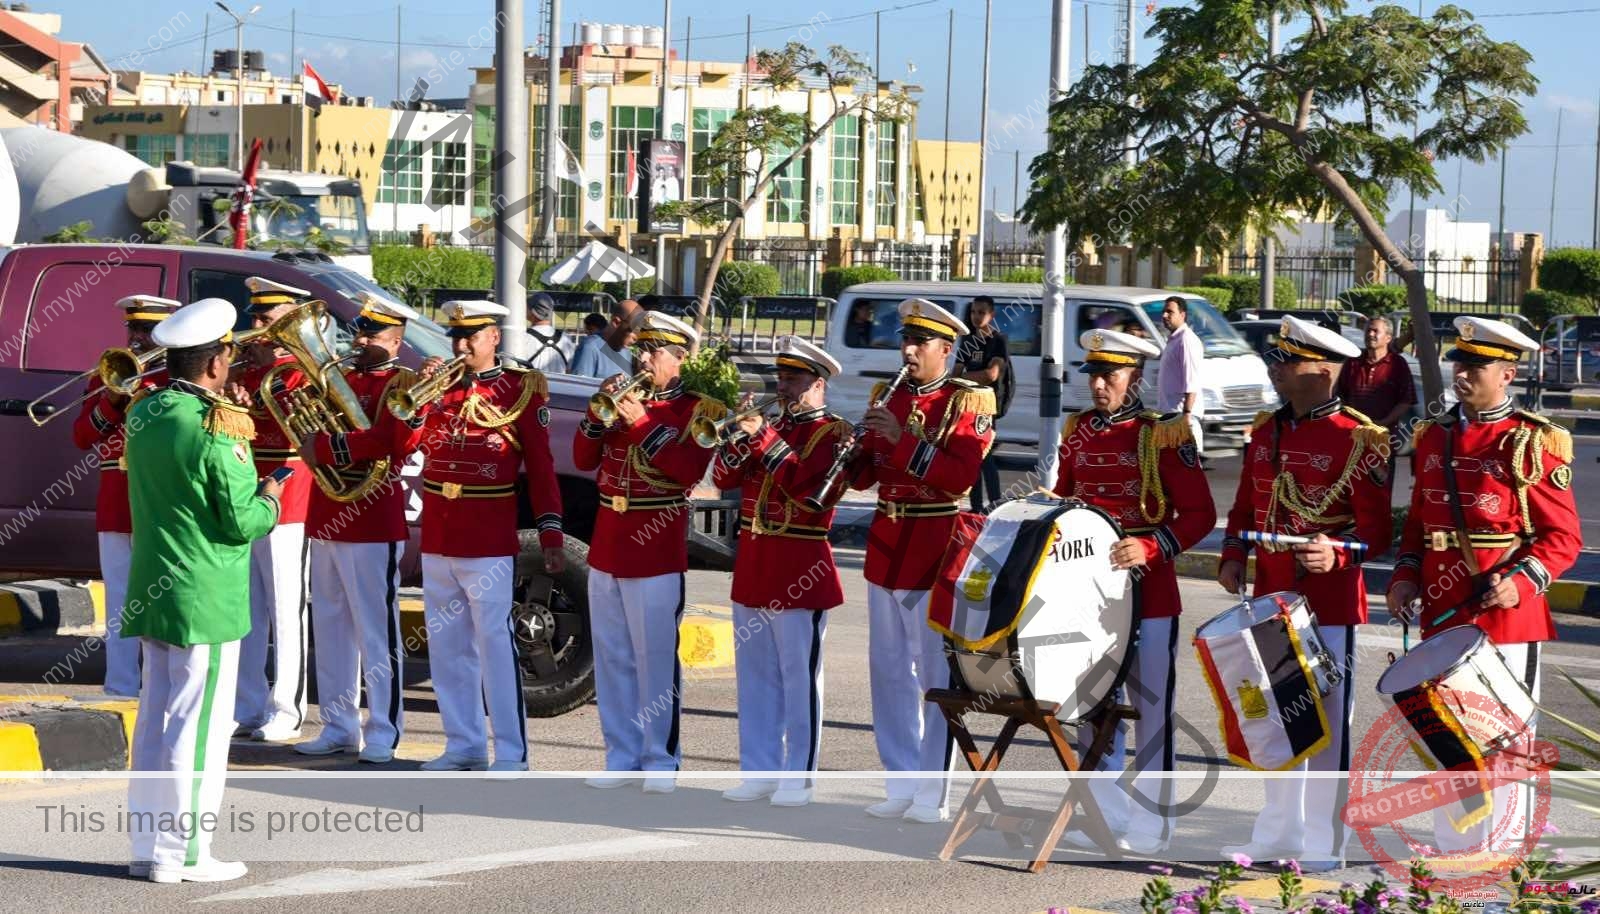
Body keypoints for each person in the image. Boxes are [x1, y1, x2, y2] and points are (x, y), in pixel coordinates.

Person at [307, 301, 566, 773]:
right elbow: (403, 445)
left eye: (471, 335)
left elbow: (543, 467)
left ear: (494, 338)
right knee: (448, 648)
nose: (461, 345)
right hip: (440, 532)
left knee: (494, 647)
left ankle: (510, 751)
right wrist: (421, 400)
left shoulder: (519, 390)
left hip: (487, 535)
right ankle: (464, 744)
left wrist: (550, 530)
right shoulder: (437, 390)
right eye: (455, 336)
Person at [1386, 317, 1580, 855]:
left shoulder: (1531, 441)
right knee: (1451, 736)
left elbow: (1563, 538)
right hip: (1444, 609)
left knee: (1503, 738)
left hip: (1505, 613)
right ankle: (1455, 856)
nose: (1462, 372)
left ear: (1508, 374)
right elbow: (1420, 524)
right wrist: (1404, 576)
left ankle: (1499, 856)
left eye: (1476, 364)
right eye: (1459, 361)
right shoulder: (1435, 435)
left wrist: (1522, 582)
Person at [1217, 315, 1393, 873]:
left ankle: (1323, 841)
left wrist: (1338, 552)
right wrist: (1231, 555)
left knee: (1328, 724)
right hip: (1272, 594)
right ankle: (1277, 831)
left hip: (1329, 601)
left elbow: (1378, 531)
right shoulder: (1268, 429)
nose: (1276, 369)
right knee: (1277, 717)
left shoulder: (1359, 438)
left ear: (1322, 371)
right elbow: (1247, 501)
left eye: (1287, 361)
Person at [123, 297, 283, 884]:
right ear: (216, 361)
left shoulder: (145, 411)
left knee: (155, 717)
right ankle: (183, 854)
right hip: (205, 590)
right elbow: (242, 521)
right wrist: (271, 495)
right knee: (200, 725)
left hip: (153, 585)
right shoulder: (219, 426)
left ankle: (148, 847)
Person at [1054, 328, 1216, 855]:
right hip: (1087, 593)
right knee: (1089, 705)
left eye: (1111, 376)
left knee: (1149, 711)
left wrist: (1150, 546)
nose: (1099, 385)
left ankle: (1153, 821)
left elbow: (1200, 516)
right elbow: (1064, 498)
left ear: (1136, 377)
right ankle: (1102, 815)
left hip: (1148, 592)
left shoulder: (1164, 434)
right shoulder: (1078, 430)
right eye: (1094, 375)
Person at [848, 298, 995, 825]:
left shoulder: (967, 401)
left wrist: (899, 438)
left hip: (934, 542)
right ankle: (900, 779)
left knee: (933, 672)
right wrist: (856, 451)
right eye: (905, 341)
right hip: (887, 542)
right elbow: (865, 478)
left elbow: (960, 477)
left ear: (946, 349)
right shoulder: (888, 396)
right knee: (887, 672)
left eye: (919, 342)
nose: (907, 351)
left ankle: (933, 790)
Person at [575, 311, 722, 793]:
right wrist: (598, 417)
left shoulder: (699, 410)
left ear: (678, 358)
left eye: (654, 351)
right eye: (641, 347)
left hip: (655, 545)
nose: (642, 357)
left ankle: (661, 758)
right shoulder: (623, 399)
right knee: (612, 657)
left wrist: (639, 422)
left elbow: (685, 472)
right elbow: (582, 459)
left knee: (654, 658)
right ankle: (621, 753)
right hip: (608, 542)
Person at [713, 337, 849, 809]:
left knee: (799, 679)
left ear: (818, 384)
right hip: (754, 562)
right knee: (755, 678)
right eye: (782, 378)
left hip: (800, 565)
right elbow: (724, 479)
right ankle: (758, 770)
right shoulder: (769, 426)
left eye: (794, 379)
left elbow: (809, 487)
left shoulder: (835, 434)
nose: (784, 387)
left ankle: (800, 777)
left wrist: (764, 439)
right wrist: (737, 436)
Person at [291, 292, 418, 764]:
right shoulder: (336, 377)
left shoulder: (402, 383)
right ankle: (338, 725)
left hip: (371, 515)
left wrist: (328, 448)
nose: (362, 340)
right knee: (329, 622)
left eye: (374, 334)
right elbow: (303, 422)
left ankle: (383, 729)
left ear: (397, 340)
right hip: (329, 513)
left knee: (375, 629)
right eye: (360, 331)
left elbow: (394, 441)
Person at [73, 294, 179, 697]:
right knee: (120, 600)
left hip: (162, 502)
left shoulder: (176, 377)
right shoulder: (108, 375)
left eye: (147, 329)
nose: (137, 337)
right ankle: (120, 685)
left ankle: (160, 688)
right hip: (117, 501)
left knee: (163, 598)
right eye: (133, 328)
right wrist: (112, 397)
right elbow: (83, 436)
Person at [231, 277, 315, 742]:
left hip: (291, 493)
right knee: (246, 608)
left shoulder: (304, 366)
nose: (257, 326)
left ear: (288, 318)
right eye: (256, 317)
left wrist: (267, 380)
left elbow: (300, 423)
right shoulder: (245, 366)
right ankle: (247, 705)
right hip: (248, 491)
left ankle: (288, 708)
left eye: (267, 318)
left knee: (287, 608)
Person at [1335, 315, 1415, 472]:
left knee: (1380, 486)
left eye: (1375, 331)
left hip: (1383, 439)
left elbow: (1406, 400)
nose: (1370, 334)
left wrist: (1383, 422)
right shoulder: (1352, 362)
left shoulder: (1398, 364)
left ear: (1388, 337)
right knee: (1349, 485)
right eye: (1368, 330)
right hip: (1352, 437)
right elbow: (1340, 396)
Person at [957, 295, 1013, 512]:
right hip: (968, 406)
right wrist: (970, 376)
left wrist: (967, 375)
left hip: (987, 408)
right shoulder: (967, 340)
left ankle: (996, 504)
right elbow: (955, 372)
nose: (976, 316)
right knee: (973, 457)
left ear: (992, 315)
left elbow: (991, 374)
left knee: (985, 456)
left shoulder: (999, 341)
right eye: (973, 312)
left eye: (981, 312)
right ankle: (976, 506)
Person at [1157, 295, 1205, 460]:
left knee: (1186, 476)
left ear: (1182, 315)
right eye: (1164, 312)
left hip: (1181, 419)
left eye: (1170, 312)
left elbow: (1191, 382)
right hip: (1170, 418)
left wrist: (1186, 417)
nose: (1164, 315)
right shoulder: (1174, 339)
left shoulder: (1186, 340)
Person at [570, 297, 641, 378]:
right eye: (632, 330)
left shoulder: (626, 350)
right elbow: (579, 388)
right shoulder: (590, 347)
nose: (636, 337)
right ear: (616, 322)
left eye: (639, 332)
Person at [526, 291, 577, 374]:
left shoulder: (524, 337)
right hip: (560, 386)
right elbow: (570, 369)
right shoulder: (565, 338)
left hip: (533, 385)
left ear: (533, 311)